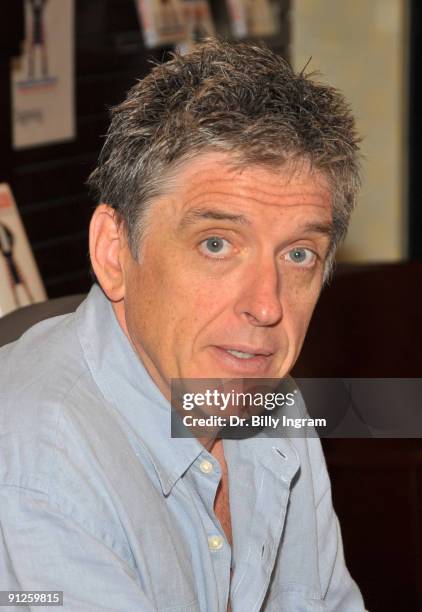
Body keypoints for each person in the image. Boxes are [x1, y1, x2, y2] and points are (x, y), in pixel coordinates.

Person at [0, 39, 366, 611]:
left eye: (299, 255)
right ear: (115, 252)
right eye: (217, 244)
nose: (267, 306)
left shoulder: (271, 403)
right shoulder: (34, 470)